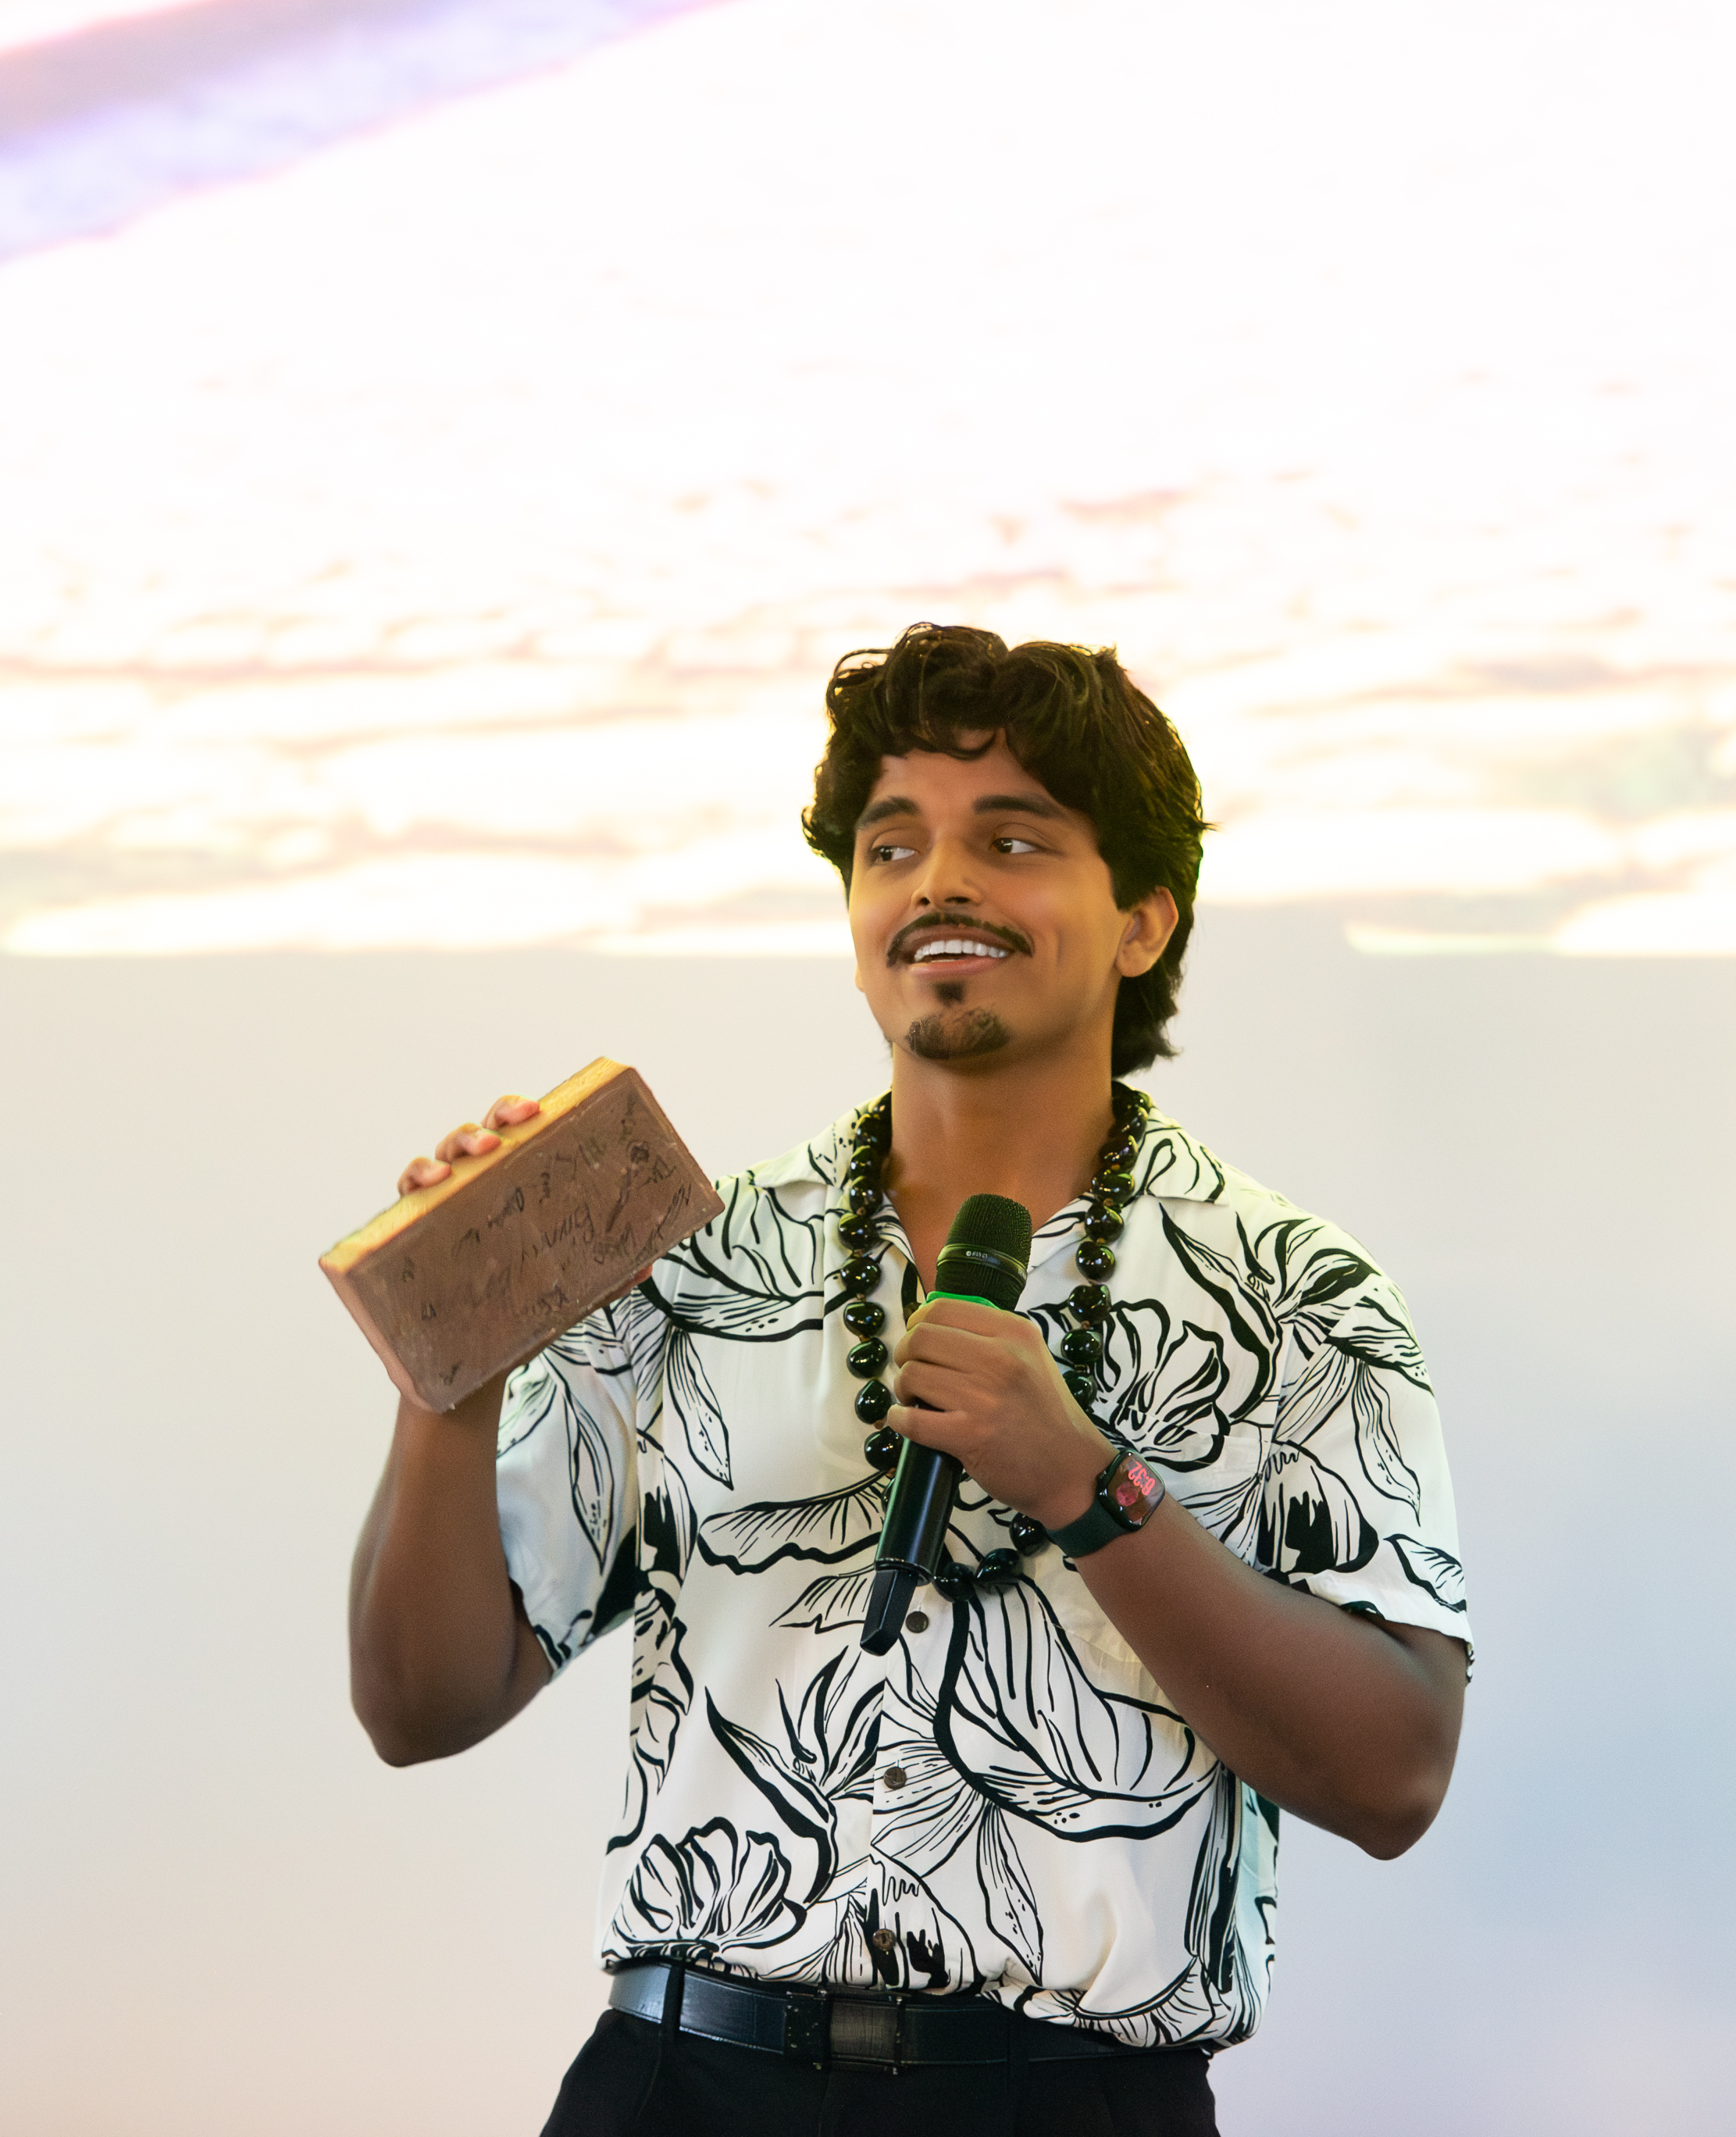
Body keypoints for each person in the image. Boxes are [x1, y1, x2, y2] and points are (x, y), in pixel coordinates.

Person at [347, 623, 1469, 2135]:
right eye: (893, 846)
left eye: (1011, 839)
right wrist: (451, 1374)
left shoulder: (1297, 1293)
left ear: (1143, 919)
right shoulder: (686, 1262)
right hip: (686, 2081)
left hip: (1074, 2099)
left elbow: (1393, 1774)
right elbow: (421, 1703)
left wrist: (1089, 1480)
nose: (938, 880)